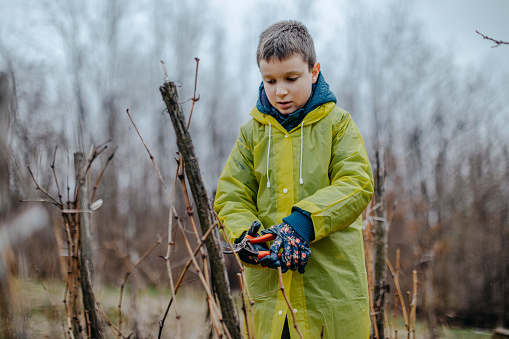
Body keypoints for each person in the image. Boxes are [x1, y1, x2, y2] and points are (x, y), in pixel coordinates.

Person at [214, 20, 374, 339]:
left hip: (329, 296)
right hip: (271, 296)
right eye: (270, 80)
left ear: (314, 71)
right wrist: (246, 237)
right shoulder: (251, 134)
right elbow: (232, 196)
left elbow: (356, 183)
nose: (280, 90)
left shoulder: (338, 124)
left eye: (291, 78)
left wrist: (303, 222)